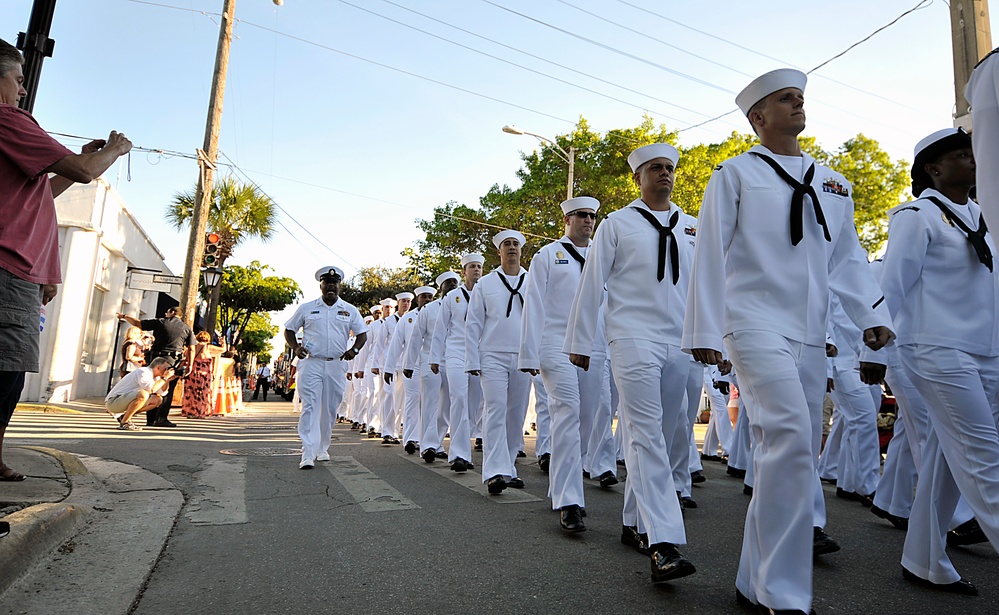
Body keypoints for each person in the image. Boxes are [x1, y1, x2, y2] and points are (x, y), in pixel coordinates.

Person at [682, 68, 893, 614]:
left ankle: (755, 580)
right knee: (793, 441)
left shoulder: (835, 183)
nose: (798, 105)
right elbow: (708, 254)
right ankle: (785, 593)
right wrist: (704, 329)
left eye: (801, 97)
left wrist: (871, 315)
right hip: (751, 323)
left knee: (785, 453)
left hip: (809, 332)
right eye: (785, 99)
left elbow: (846, 257)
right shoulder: (734, 175)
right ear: (758, 118)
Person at [874, 128, 999, 595]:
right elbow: (891, 285)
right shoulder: (916, 216)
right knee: (986, 457)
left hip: (986, 351)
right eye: (962, 155)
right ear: (934, 168)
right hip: (936, 349)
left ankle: (924, 558)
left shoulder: (986, 215)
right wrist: (873, 352)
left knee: (950, 456)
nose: (974, 161)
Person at [0, 38, 132, 481]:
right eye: (17, 79)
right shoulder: (7, 119)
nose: (22, 90)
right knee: (4, 376)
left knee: (9, 376)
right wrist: (113, 149)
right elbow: (83, 171)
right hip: (7, 270)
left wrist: (89, 160)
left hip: (19, 272)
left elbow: (52, 186)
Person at [566, 143, 697, 584]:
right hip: (631, 338)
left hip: (679, 341)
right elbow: (593, 283)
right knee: (643, 433)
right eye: (654, 169)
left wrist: (712, 338)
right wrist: (581, 339)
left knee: (664, 432)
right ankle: (662, 543)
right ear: (637, 178)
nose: (664, 174)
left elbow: (710, 288)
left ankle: (632, 522)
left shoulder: (693, 227)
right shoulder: (618, 224)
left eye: (668, 168)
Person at [520, 196, 613, 534]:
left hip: (595, 347)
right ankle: (569, 501)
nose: (588, 221)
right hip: (555, 345)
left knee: (590, 417)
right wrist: (529, 354)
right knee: (567, 413)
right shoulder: (548, 255)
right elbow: (534, 306)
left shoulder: (604, 257)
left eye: (591, 216)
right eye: (581, 216)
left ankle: (562, 484)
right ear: (567, 221)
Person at [466, 230, 531, 494]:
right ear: (499, 251)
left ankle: (509, 467)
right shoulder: (486, 284)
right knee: (495, 409)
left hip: (523, 355)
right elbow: (473, 323)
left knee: (516, 413)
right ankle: (494, 471)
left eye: (516, 244)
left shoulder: (533, 280)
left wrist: (536, 354)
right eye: (507, 244)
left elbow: (542, 320)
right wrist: (472, 358)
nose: (512, 248)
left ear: (521, 250)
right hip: (492, 354)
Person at [284, 266, 367, 469]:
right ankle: (307, 452)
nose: (330, 286)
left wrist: (353, 351)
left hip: (336, 364)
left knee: (330, 409)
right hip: (311, 363)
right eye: (327, 283)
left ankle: (322, 448)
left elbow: (362, 334)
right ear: (321, 285)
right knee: (310, 407)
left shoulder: (349, 309)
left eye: (334, 283)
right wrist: (296, 347)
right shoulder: (307, 307)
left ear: (339, 286)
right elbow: (289, 329)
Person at [430, 253, 485, 469]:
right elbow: (440, 329)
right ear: (464, 272)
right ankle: (459, 454)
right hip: (455, 353)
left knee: (474, 404)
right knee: (459, 398)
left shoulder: (487, 293)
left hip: (479, 354)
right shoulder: (453, 297)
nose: (476, 270)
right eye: (472, 266)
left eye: (479, 266)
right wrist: (435, 357)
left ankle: (465, 446)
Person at [407, 274, 460, 463]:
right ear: (441, 287)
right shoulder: (429, 309)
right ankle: (427, 445)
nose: (453, 285)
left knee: (446, 405)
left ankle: (437, 443)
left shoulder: (463, 304)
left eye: (456, 282)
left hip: (454, 360)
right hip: (430, 360)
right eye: (449, 283)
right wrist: (408, 364)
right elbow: (416, 338)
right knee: (430, 401)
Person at [116, 306, 195, 427]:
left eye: (167, 312)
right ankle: (161, 418)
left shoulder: (160, 322)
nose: (165, 314)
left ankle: (150, 419)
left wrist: (124, 316)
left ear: (172, 312)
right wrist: (190, 363)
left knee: (151, 386)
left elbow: (138, 323)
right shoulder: (186, 328)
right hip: (173, 361)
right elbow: (192, 348)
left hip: (155, 359)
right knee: (167, 390)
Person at [104, 357, 179, 431]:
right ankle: (125, 422)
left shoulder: (156, 378)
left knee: (157, 400)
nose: (167, 371)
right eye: (166, 369)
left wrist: (167, 380)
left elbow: (162, 393)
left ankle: (125, 416)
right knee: (143, 394)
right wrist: (165, 377)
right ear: (158, 368)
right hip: (113, 402)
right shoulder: (143, 372)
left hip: (124, 400)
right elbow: (151, 389)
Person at [182, 331, 216, 419]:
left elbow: (186, 359)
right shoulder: (208, 348)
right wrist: (224, 342)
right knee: (203, 392)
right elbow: (223, 350)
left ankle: (190, 411)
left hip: (193, 372)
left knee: (192, 392)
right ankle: (201, 412)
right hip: (205, 374)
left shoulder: (192, 347)